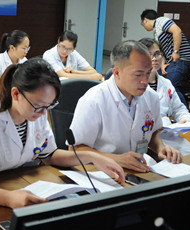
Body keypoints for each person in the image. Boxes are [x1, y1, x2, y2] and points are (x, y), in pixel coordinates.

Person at [0, 58, 124, 209]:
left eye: (48, 106)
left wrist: (93, 157)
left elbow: (50, 155)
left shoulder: (35, 114)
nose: (43, 113)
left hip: (20, 188)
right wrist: (7, 198)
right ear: (16, 94)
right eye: (38, 106)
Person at [69, 40, 182, 173]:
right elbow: (75, 149)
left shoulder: (151, 97)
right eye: (138, 74)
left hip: (137, 169)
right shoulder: (93, 100)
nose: (145, 81)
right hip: (100, 172)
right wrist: (116, 159)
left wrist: (160, 147)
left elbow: (153, 132)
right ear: (117, 73)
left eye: (148, 73)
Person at [138, 38, 190, 156]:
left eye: (157, 54)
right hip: (143, 139)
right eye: (149, 55)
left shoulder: (166, 84)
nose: (154, 58)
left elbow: (179, 109)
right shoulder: (133, 85)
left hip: (169, 136)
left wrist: (185, 119)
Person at [140, 9, 190, 88]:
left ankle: (178, 97)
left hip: (182, 59)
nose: (144, 27)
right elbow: (161, 51)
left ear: (145, 20)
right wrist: (162, 65)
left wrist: (176, 51)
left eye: (142, 24)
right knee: (157, 80)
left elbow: (177, 31)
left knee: (168, 87)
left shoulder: (161, 21)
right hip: (172, 61)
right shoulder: (156, 31)